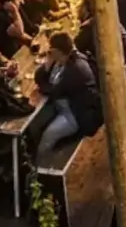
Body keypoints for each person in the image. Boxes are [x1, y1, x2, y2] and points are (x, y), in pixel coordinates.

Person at [34, 31, 102, 162]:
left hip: (76, 114)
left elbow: (52, 90)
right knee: (36, 124)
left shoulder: (76, 68)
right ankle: (28, 157)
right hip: (62, 105)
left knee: (48, 135)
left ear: (56, 51)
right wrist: (47, 65)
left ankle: (38, 169)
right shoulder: (61, 60)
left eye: (50, 50)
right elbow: (39, 78)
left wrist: (43, 84)